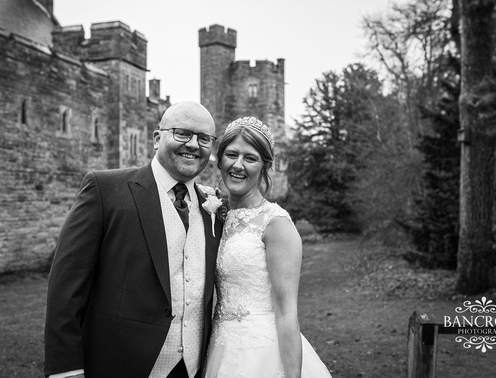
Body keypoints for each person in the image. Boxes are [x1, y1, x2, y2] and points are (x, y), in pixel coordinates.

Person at [44, 101, 223, 378]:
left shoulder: (213, 207)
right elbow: (65, 290)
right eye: (182, 133)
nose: (193, 145)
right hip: (119, 365)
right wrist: (66, 371)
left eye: (204, 138)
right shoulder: (105, 190)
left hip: (194, 368)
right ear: (156, 138)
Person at [204, 117, 332, 377]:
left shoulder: (276, 224)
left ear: (265, 166)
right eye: (231, 154)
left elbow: (286, 312)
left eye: (250, 158)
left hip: (261, 351)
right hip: (218, 346)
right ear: (220, 160)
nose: (238, 165)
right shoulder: (218, 214)